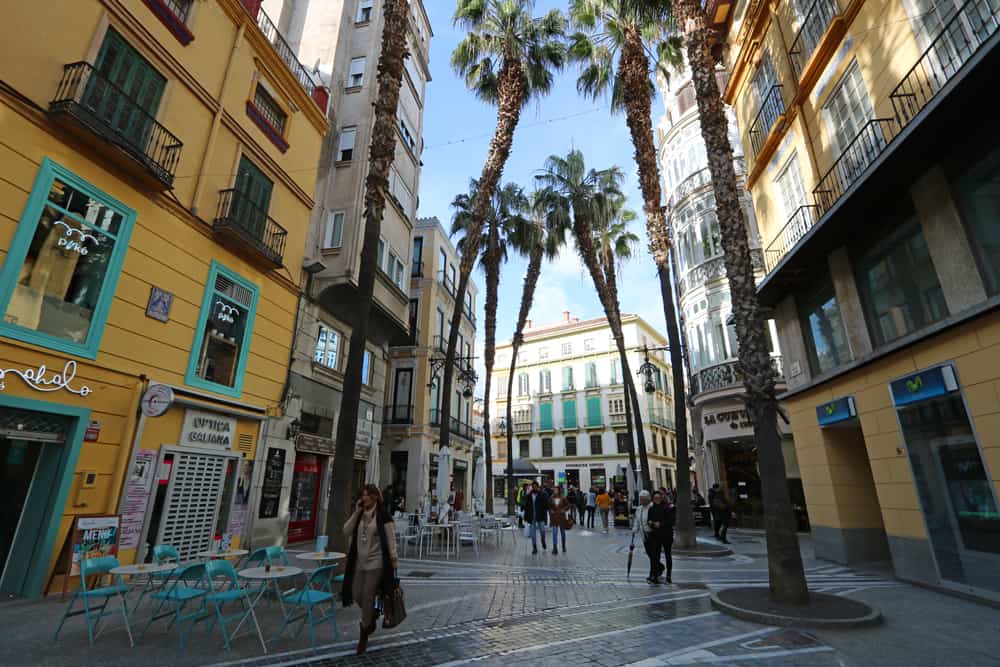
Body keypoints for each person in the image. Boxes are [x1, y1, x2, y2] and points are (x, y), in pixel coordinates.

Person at [342, 484, 398, 655]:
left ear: (374, 497)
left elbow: (391, 538)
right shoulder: (359, 515)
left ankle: (364, 632)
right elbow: (346, 531)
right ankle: (372, 614)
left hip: (376, 563)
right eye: (362, 495)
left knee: (367, 595)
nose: (363, 498)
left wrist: (394, 559)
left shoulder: (383, 516)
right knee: (356, 594)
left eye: (366, 495)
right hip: (358, 562)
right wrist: (356, 512)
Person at [647, 490, 676, 583]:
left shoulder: (667, 508)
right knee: (656, 556)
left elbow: (671, 521)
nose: (657, 500)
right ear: (653, 499)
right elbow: (649, 521)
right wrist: (651, 523)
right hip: (655, 535)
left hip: (666, 535)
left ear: (661, 498)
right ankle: (655, 576)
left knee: (668, 555)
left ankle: (669, 576)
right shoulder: (651, 509)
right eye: (655, 498)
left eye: (659, 498)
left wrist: (660, 524)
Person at [632, 490, 659, 583]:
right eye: (641, 499)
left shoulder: (652, 507)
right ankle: (659, 567)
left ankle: (653, 574)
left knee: (653, 554)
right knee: (649, 554)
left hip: (652, 534)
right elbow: (637, 520)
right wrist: (635, 529)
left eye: (644, 499)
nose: (642, 501)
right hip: (644, 535)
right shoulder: (639, 509)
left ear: (648, 499)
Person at [521, 481, 549, 554]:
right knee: (533, 533)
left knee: (542, 531)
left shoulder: (542, 494)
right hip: (531, 516)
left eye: (535, 486)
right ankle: (534, 547)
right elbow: (524, 503)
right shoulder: (529, 495)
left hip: (540, 516)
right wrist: (527, 494)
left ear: (538, 487)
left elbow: (546, 504)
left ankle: (543, 540)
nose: (534, 488)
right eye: (533, 487)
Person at [548, 486, 570, 554]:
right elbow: (548, 506)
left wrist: (564, 509)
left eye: (556, 490)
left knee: (562, 533)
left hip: (561, 518)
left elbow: (568, 505)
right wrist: (550, 510)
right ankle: (555, 548)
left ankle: (563, 546)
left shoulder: (563, 498)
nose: (555, 491)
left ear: (559, 491)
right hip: (554, 518)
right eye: (554, 490)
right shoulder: (551, 498)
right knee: (554, 533)